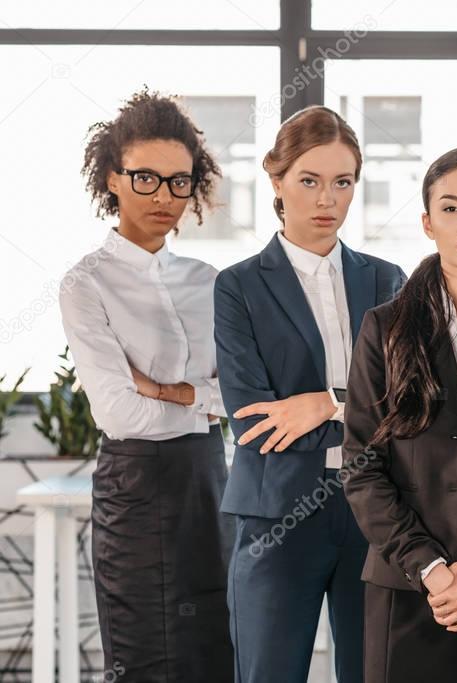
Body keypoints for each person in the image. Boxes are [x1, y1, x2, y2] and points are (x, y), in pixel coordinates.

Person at [214, 106, 406, 683]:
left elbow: (413, 404)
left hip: (375, 510)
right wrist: (363, 410)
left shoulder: (388, 280)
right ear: (277, 181)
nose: (328, 199)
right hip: (276, 513)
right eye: (310, 181)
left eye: (342, 182)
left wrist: (325, 404)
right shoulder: (238, 286)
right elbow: (253, 422)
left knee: (372, 672)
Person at [60, 88, 233, 681]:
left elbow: (236, 399)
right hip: (135, 489)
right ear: (112, 178)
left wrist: (166, 391)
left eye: (179, 182)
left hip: (211, 484)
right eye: (145, 178)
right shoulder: (86, 285)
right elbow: (119, 415)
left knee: (217, 650)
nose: (164, 196)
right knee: (147, 660)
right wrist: (202, 403)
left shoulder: (210, 282)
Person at [343, 146, 457, 683]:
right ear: (427, 223)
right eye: (450, 209)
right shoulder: (385, 327)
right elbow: (361, 465)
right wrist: (432, 569)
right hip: (410, 591)